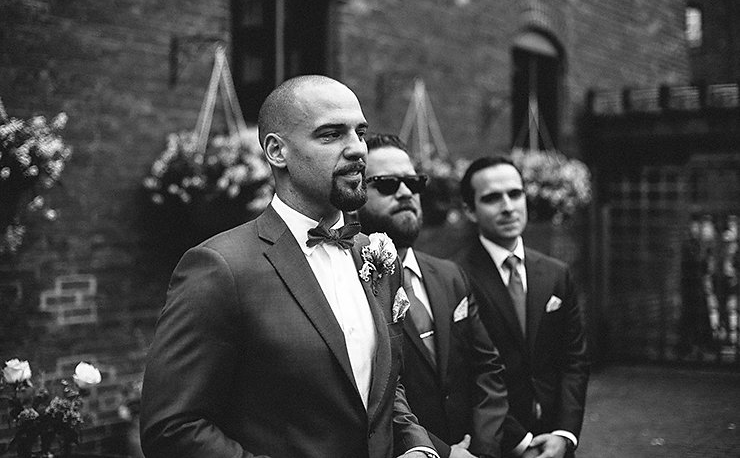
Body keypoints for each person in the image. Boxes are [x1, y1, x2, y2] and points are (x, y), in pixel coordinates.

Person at [140, 75, 439, 458]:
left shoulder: (377, 257)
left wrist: (416, 447)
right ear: (277, 151)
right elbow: (172, 429)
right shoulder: (220, 267)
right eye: (331, 134)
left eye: (360, 132)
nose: (357, 150)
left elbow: (383, 387)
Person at [357, 134, 509, 458]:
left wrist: (482, 449)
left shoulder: (450, 275)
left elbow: (488, 368)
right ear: (356, 191)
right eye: (386, 184)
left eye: (414, 182)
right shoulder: (350, 283)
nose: (405, 192)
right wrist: (444, 453)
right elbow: (368, 394)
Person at [454, 156, 590, 458]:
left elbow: (574, 359)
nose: (508, 206)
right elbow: (464, 374)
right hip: (498, 443)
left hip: (556, 440)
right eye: (491, 198)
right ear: (469, 210)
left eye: (515, 194)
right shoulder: (456, 277)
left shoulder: (556, 273)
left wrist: (564, 433)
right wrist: (521, 443)